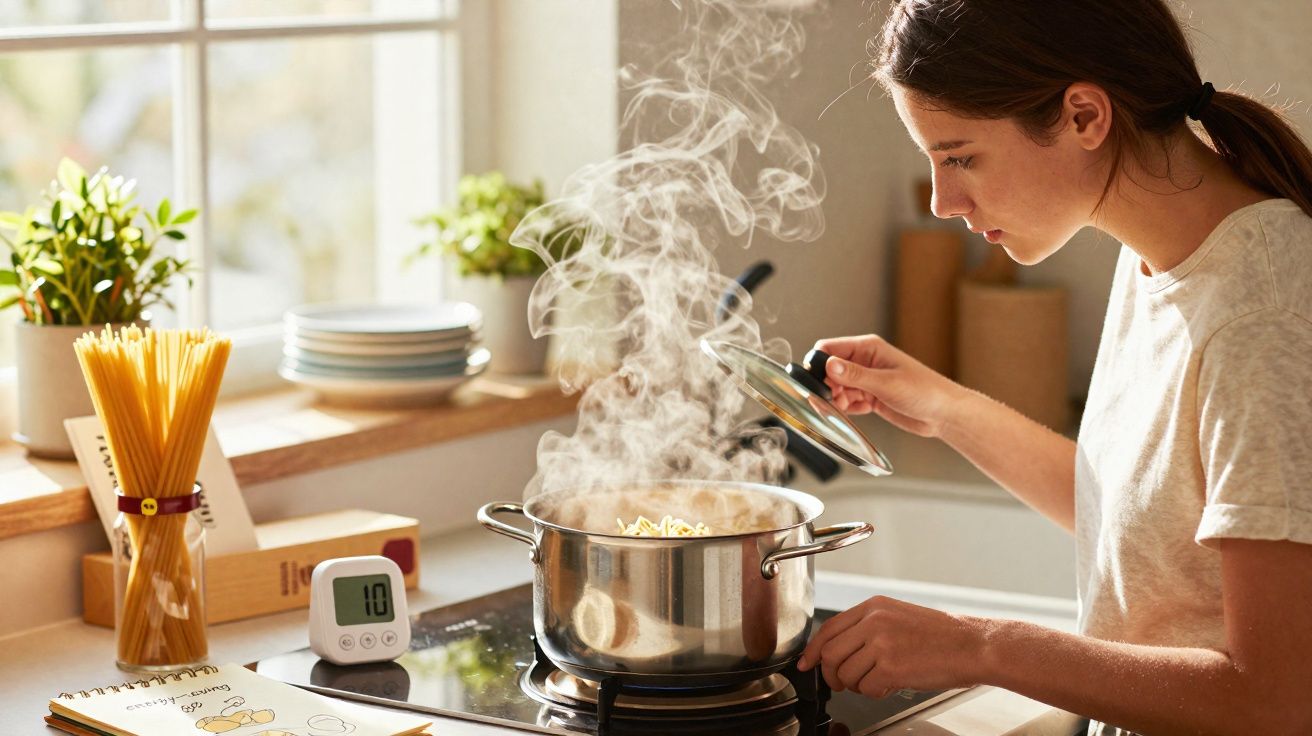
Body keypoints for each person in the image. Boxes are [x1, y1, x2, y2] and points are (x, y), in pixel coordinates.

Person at [796, 1, 1312, 734]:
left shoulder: (1263, 315)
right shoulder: (1161, 260)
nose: (942, 200)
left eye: (960, 156)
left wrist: (981, 645)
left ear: (1083, 116)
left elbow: (1279, 700)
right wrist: (941, 406)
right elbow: (1143, 528)